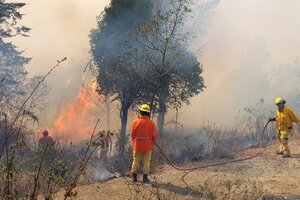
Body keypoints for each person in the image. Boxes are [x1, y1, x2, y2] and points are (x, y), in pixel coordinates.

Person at [131, 104, 158, 183]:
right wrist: (151, 142)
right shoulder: (151, 123)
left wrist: (135, 143)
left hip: (137, 146)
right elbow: (155, 136)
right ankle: (145, 178)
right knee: (146, 161)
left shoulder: (135, 122)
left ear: (141, 112)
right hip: (147, 147)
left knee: (136, 160)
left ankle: (134, 178)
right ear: (148, 113)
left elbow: (132, 135)